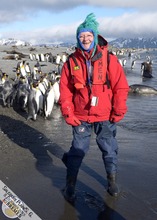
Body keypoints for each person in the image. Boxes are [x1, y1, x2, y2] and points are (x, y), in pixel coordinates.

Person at [59, 13, 129, 203]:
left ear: (95, 36)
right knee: (77, 150)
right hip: (80, 116)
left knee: (108, 148)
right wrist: (68, 112)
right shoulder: (71, 62)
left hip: (105, 115)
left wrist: (118, 110)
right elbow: (65, 90)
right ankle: (70, 184)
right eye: (81, 36)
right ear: (77, 38)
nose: (85, 39)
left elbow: (120, 86)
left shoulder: (109, 59)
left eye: (89, 35)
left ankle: (111, 180)